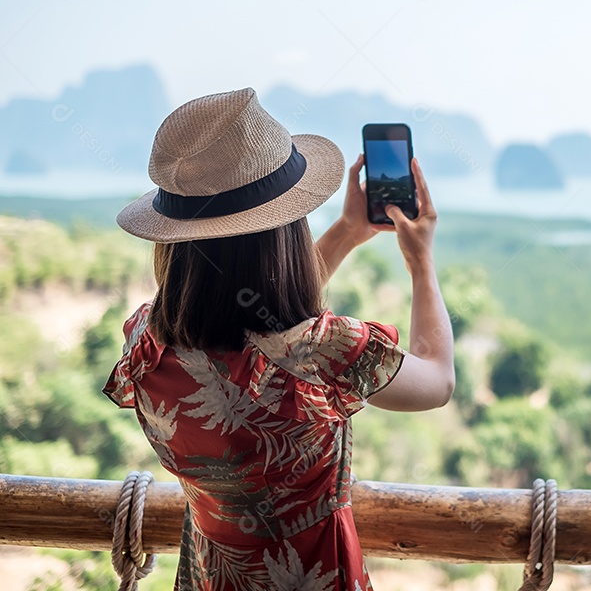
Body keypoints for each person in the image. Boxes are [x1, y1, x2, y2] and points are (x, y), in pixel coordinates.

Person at [103, 88, 454, 590]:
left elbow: (254, 317)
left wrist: (349, 232)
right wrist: (421, 261)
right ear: (284, 232)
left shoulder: (146, 343)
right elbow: (437, 379)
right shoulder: (327, 350)